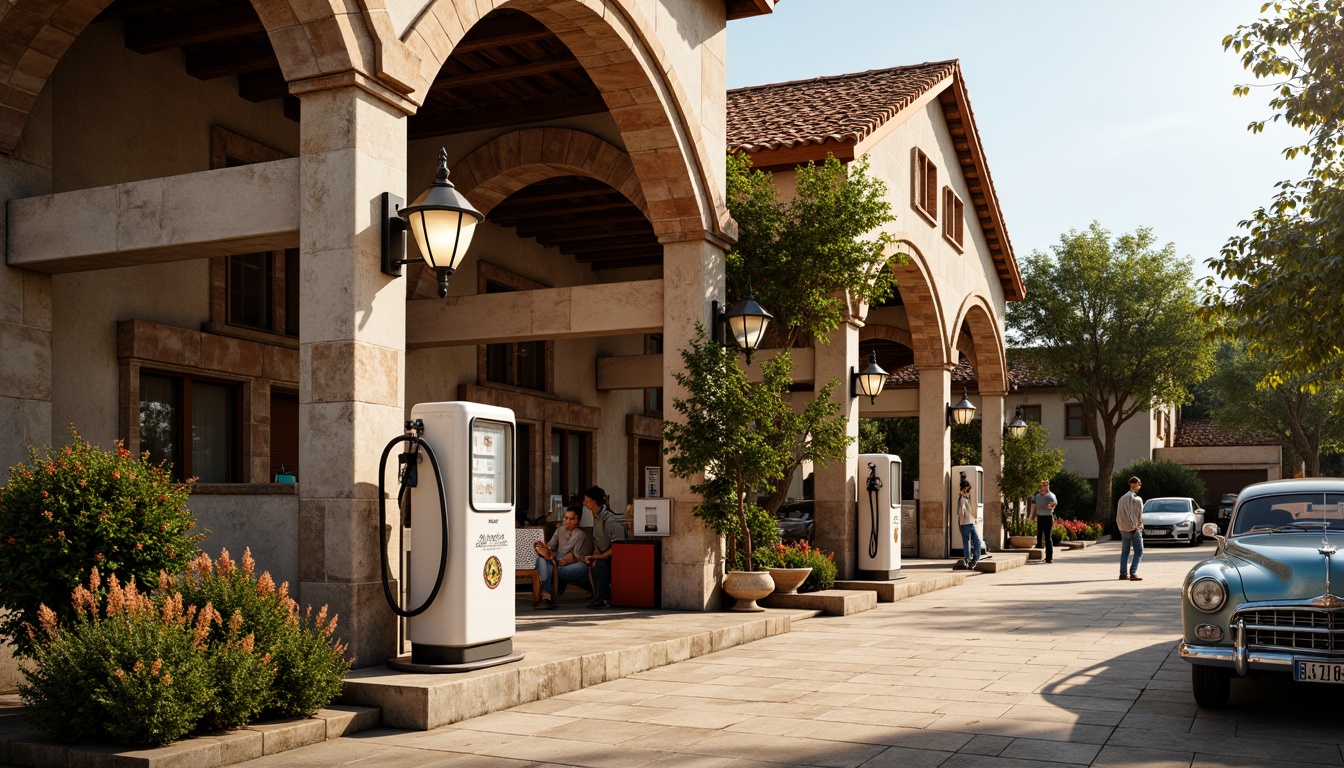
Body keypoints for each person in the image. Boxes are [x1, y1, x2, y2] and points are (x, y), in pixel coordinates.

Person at [533, 504, 591, 609]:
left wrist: (559, 561)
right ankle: (547, 595)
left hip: (577, 565)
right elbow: (551, 547)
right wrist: (545, 549)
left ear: (578, 520)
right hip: (558, 563)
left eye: (571, 519)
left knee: (551, 567)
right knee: (540, 561)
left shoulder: (580, 534)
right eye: (566, 518)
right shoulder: (560, 530)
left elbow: (577, 556)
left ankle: (546, 596)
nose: (567, 522)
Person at [582, 485, 625, 608]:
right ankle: (597, 595)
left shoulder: (609, 520)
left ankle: (603, 598)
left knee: (598, 563)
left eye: (587, 500)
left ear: (594, 501)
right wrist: (594, 555)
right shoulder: (596, 518)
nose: (585, 504)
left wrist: (599, 557)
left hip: (614, 556)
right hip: (603, 553)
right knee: (592, 562)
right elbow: (599, 542)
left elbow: (617, 546)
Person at [1117, 475, 1144, 581]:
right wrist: (1138, 526)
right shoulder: (1137, 499)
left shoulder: (1122, 498)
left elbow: (1119, 514)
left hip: (1123, 528)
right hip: (1133, 528)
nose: (1139, 486)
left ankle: (1123, 574)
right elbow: (1137, 515)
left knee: (1125, 553)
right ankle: (1133, 573)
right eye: (1139, 484)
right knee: (1139, 551)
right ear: (1136, 484)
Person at [956, 481, 982, 570]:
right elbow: (962, 509)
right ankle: (968, 561)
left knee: (977, 542)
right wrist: (964, 515)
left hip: (970, 522)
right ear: (964, 488)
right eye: (967, 488)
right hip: (966, 523)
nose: (968, 490)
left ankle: (973, 560)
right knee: (967, 542)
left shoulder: (965, 497)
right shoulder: (961, 498)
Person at [1032, 480, 1058, 564]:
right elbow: (1033, 506)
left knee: (1048, 537)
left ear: (1047, 486)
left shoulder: (1051, 495)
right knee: (1039, 535)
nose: (1042, 487)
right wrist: (1031, 516)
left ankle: (1049, 558)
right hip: (1040, 517)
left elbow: (1054, 503)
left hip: (1048, 517)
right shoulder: (1037, 496)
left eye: (1045, 486)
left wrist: (1051, 506)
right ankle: (1040, 546)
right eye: (1042, 486)